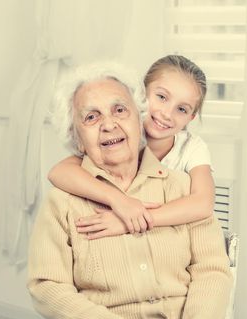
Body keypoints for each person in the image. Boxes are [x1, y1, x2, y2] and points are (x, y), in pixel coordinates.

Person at [28, 63, 238, 319]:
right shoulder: (62, 202)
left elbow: (211, 270)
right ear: (77, 140)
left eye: (119, 110)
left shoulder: (183, 188)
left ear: (139, 120)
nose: (109, 124)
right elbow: (48, 286)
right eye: (91, 117)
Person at [47, 55, 215, 238]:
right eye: (161, 97)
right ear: (140, 94)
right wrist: (118, 200)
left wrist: (132, 220)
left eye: (182, 109)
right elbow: (59, 172)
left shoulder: (191, 147)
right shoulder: (120, 136)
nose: (167, 113)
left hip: (168, 236)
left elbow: (203, 203)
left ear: (190, 118)